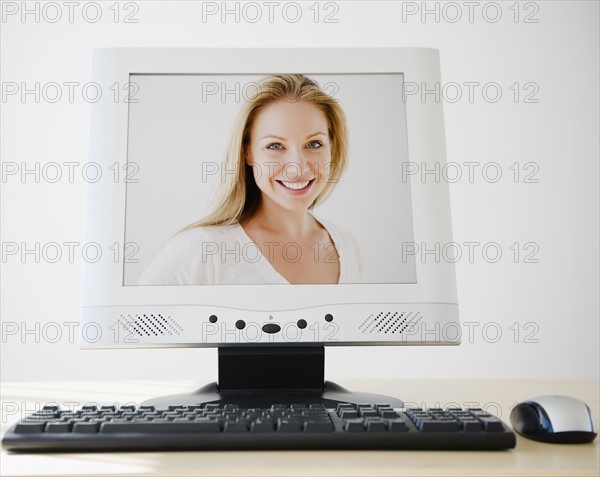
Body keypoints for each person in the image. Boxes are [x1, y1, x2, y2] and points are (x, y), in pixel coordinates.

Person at [139, 74, 364, 285]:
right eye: (275, 146)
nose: (297, 168)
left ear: (332, 148)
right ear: (247, 152)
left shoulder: (348, 247)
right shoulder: (203, 250)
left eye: (314, 144)